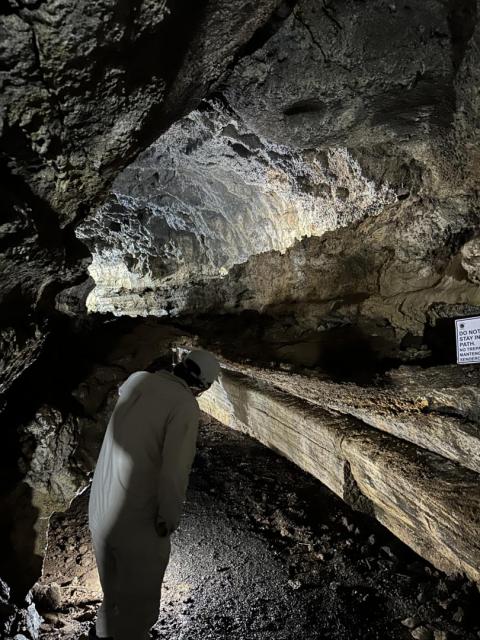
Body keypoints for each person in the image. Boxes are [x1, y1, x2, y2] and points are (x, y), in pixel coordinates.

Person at [88, 349, 220, 640]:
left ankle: (101, 634)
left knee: (112, 595)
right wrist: (168, 517)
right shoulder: (184, 404)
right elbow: (174, 471)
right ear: (203, 386)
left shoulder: (138, 380)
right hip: (133, 518)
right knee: (140, 606)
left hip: (98, 509)